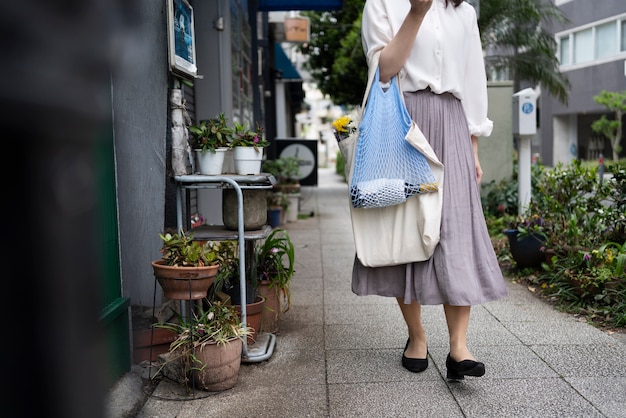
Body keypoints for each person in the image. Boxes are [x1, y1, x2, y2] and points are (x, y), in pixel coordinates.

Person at [353, 0, 508, 380]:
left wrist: (472, 147)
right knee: (408, 230)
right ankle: (416, 336)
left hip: (453, 125)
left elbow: (472, 82)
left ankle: (459, 347)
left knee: (457, 232)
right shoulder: (382, 3)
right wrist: (416, 13)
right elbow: (384, 72)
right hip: (404, 124)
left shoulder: (464, 12)